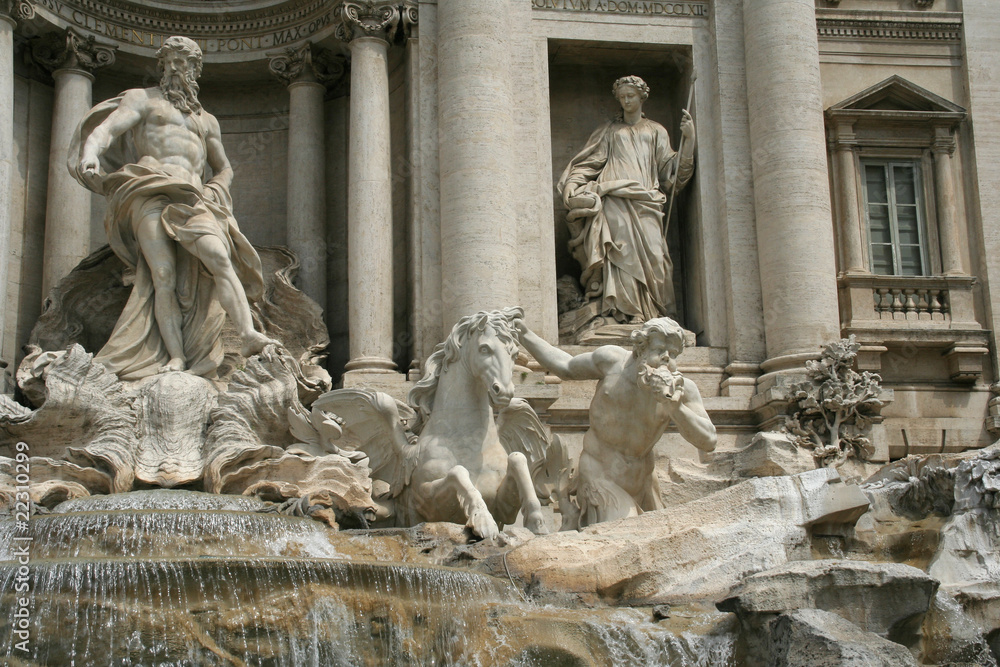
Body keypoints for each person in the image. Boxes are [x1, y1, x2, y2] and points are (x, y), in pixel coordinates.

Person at [69, 36, 278, 380]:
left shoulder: (207, 120)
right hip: (149, 188)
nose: (178, 68)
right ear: (162, 66)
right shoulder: (143, 100)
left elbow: (224, 167)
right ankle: (176, 357)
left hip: (193, 197)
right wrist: (90, 154)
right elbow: (106, 131)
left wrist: (215, 190)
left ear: (196, 69)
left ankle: (248, 334)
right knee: (161, 275)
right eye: (171, 62)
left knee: (219, 257)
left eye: (185, 62)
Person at [515, 316, 716, 528]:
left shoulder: (683, 390)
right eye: (659, 351)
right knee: (625, 534)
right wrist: (525, 334)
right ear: (640, 349)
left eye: (673, 354)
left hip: (643, 482)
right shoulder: (611, 362)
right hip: (599, 474)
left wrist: (676, 408)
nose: (666, 359)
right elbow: (565, 366)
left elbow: (709, 440)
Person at [558, 75, 695, 323]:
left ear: (642, 97)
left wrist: (689, 140)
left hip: (646, 200)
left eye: (630, 96)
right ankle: (623, 312)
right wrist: (572, 183)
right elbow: (589, 163)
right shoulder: (610, 131)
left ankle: (654, 312)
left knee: (655, 255)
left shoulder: (656, 131)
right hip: (614, 198)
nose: (626, 101)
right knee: (619, 254)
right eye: (621, 97)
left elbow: (671, 173)